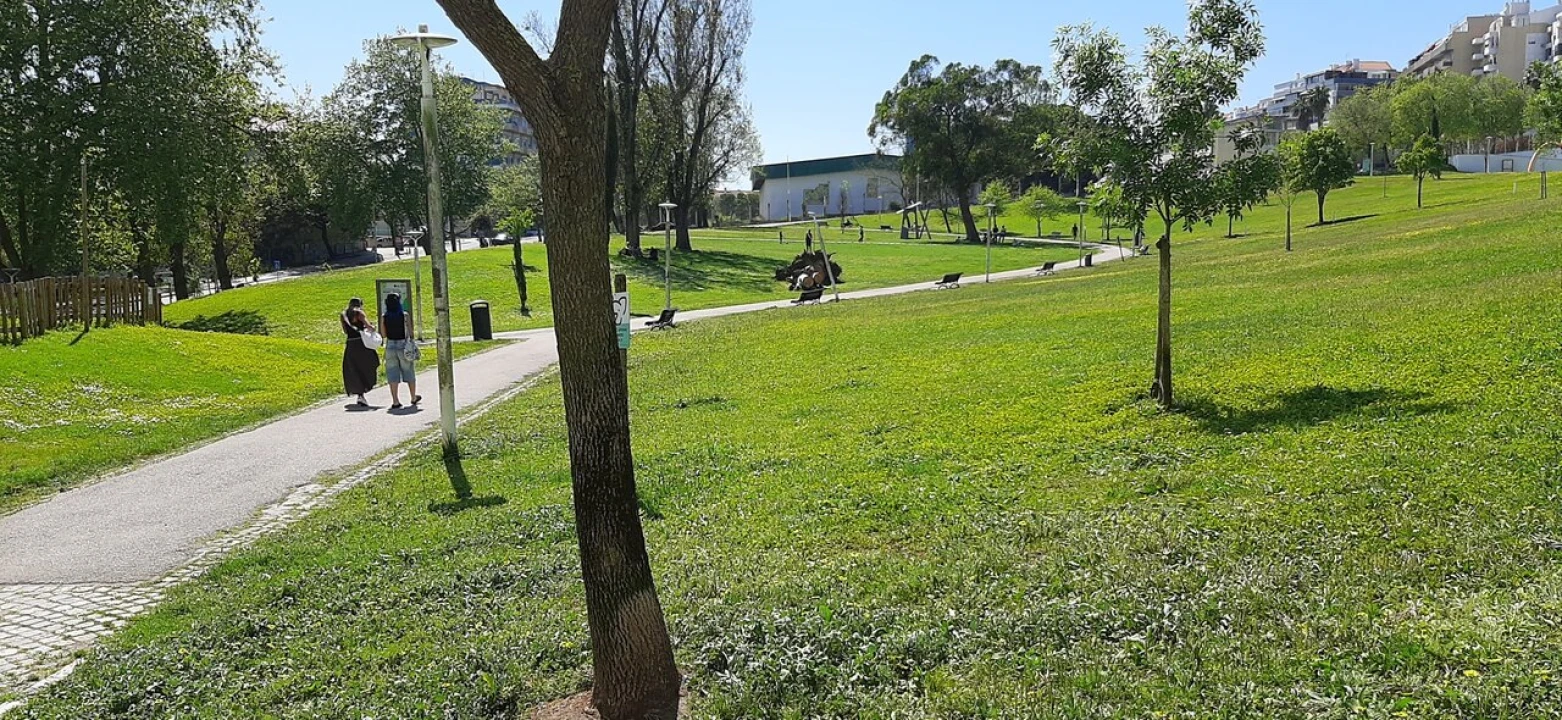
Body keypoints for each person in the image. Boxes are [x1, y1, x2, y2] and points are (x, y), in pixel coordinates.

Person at [379, 294, 422, 410]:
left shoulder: (384, 316)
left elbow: (383, 335)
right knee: (409, 371)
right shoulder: (404, 315)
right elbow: (411, 332)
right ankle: (413, 397)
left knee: (392, 373)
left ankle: (395, 401)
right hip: (403, 345)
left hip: (390, 345)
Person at [340, 297, 379, 408]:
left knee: (353, 368)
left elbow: (345, 330)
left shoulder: (344, 315)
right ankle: (366, 386)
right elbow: (369, 327)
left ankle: (360, 394)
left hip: (350, 344)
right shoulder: (359, 313)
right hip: (362, 344)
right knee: (370, 364)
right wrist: (373, 327)